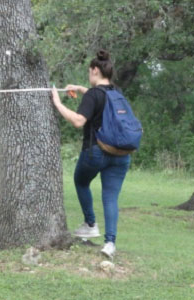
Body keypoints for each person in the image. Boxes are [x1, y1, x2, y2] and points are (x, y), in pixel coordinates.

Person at [51, 50, 131, 258]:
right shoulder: (116, 92)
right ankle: (110, 244)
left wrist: (58, 103)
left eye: (89, 72)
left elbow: (78, 121)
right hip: (122, 154)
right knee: (110, 197)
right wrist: (79, 88)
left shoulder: (95, 95)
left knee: (81, 181)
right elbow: (98, 97)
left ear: (95, 70)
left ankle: (90, 223)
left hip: (96, 151)